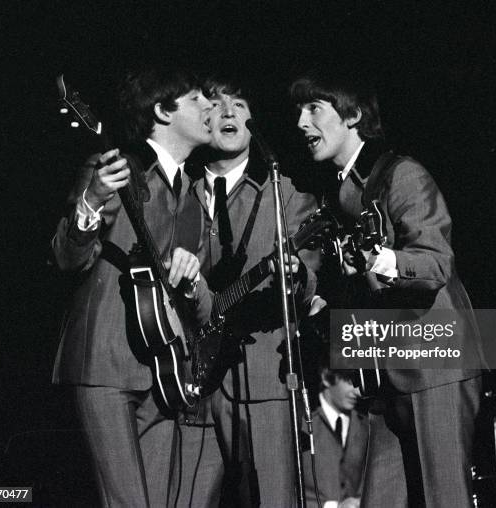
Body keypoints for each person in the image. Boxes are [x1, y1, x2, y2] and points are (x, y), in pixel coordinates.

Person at [290, 69, 485, 507]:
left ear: (353, 115)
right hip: (379, 376)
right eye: (299, 111)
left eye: (314, 109)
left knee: (444, 498)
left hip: (434, 364)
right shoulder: (332, 194)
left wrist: (380, 260)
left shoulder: (401, 175)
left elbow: (435, 263)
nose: (301, 122)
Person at [51, 64, 214, 507]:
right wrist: (92, 200)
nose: (211, 107)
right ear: (163, 111)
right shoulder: (114, 169)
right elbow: (68, 258)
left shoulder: (195, 195)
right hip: (104, 363)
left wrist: (191, 273)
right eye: (198, 99)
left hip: (164, 368)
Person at [182, 74, 321, 507]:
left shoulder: (286, 198)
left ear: (252, 122)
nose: (227, 112)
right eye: (217, 104)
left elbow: (308, 282)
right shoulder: (176, 196)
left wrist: (295, 275)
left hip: (260, 383)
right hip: (185, 382)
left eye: (238, 105)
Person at [302, 368, 368, 508]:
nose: (357, 391)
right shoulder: (299, 425)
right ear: (326, 377)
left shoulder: (366, 426)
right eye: (350, 381)